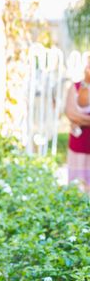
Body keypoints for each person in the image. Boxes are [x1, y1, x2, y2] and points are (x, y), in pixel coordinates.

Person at [65, 58, 90, 189]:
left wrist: (80, 120)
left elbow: (76, 116)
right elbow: (70, 113)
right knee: (77, 189)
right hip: (78, 147)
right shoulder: (75, 87)